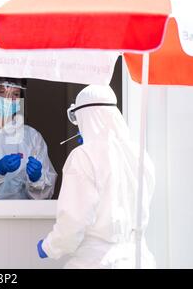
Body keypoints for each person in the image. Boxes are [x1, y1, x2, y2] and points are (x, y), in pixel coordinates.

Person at [37, 85, 156, 268]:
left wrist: (50, 246)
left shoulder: (83, 156)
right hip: (138, 259)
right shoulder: (140, 154)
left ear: (85, 115)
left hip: (97, 260)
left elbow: (74, 219)